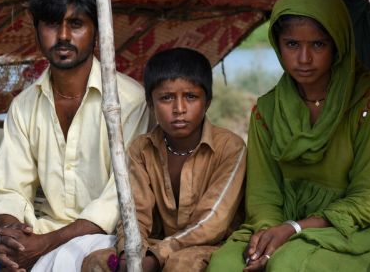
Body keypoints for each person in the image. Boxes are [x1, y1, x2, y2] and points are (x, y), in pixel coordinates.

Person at [0, 0, 151, 272]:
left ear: (97, 29)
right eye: (52, 24)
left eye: (76, 24)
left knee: (65, 261)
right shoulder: (24, 106)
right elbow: (11, 189)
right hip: (41, 230)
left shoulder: (130, 102)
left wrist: (47, 243)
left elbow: (119, 199)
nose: (63, 35)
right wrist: (13, 236)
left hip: (104, 237)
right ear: (37, 31)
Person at [207, 0, 370, 272]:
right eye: (292, 44)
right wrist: (267, 238)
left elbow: (368, 202)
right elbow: (264, 196)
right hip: (281, 225)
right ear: (278, 45)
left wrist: (294, 229)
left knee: (288, 264)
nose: (304, 58)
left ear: (337, 45)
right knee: (225, 265)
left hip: (351, 228)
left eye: (318, 44)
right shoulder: (268, 110)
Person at [81, 47, 246, 272]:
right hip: (157, 245)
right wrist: (129, 253)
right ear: (150, 103)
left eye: (191, 97)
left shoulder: (230, 147)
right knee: (97, 262)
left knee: (181, 264)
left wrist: (156, 255)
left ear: (207, 101)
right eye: (166, 98)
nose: (179, 109)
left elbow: (212, 222)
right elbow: (134, 214)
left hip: (214, 245)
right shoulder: (141, 149)